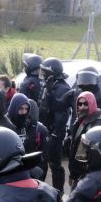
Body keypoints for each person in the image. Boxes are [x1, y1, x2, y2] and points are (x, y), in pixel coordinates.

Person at [65, 92, 101, 188]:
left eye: (86, 104)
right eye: (80, 104)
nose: (82, 107)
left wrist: (78, 175)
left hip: (88, 177)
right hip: (78, 175)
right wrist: (72, 174)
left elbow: (93, 155)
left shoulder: (97, 124)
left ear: (92, 104)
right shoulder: (80, 120)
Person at [38, 57, 70, 193]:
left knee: (54, 163)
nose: (43, 73)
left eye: (45, 71)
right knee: (41, 161)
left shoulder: (62, 88)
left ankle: (58, 192)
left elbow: (62, 112)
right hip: (45, 128)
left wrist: (56, 133)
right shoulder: (51, 84)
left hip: (53, 131)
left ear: (52, 72)